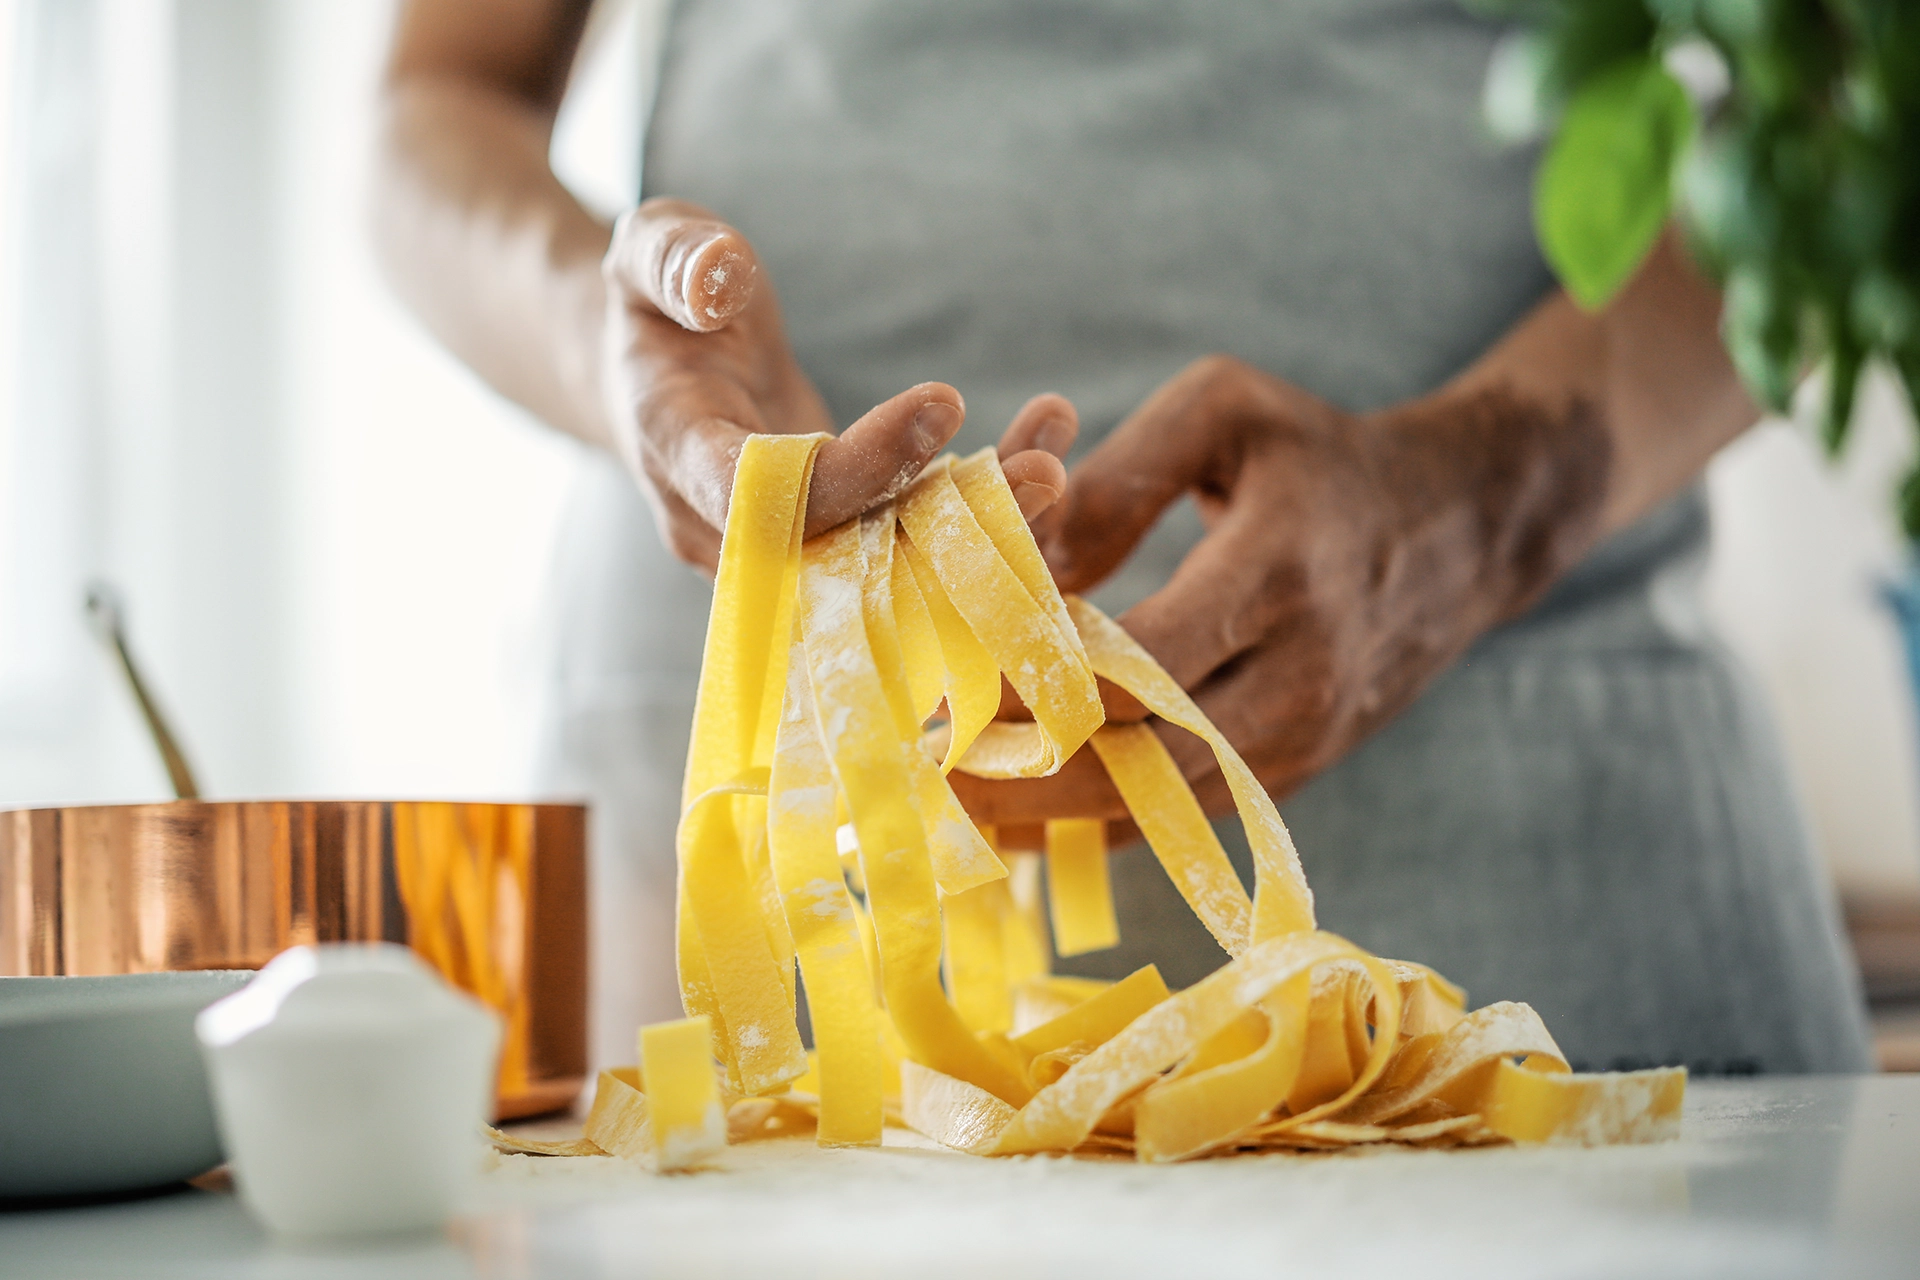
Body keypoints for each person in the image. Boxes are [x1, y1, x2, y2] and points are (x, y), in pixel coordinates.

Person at [375, 0, 1873, 1075]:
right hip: (763, 831)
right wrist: (608, 343)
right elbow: (439, 102)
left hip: (1547, 830)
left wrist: (1495, 494)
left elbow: (1857, 98)